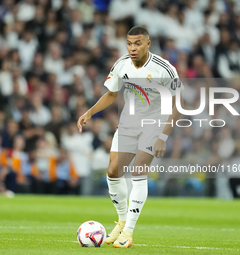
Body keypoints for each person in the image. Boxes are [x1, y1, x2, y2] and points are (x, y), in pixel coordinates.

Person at [77, 26, 184, 248]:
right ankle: (122, 220)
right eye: (129, 43)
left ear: (148, 44)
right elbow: (112, 94)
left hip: (153, 125)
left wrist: (163, 136)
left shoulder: (165, 69)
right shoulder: (121, 64)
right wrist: (89, 112)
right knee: (113, 172)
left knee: (138, 171)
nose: (132, 48)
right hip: (127, 124)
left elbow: (177, 106)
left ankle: (129, 231)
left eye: (137, 43)